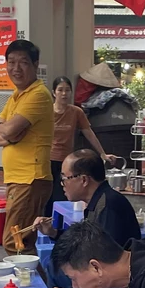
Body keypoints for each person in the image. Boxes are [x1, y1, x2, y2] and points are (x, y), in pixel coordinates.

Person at [33, 149, 140, 288]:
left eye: (65, 178)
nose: (62, 184)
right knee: (54, 263)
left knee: (55, 268)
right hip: (101, 277)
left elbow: (105, 263)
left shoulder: (109, 206)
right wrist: (54, 232)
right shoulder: (99, 200)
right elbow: (85, 244)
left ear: (84, 180)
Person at [0, 40, 54, 254]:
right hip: (19, 179)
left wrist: (6, 131)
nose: (16, 68)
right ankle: (32, 286)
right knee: (20, 241)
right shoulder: (17, 96)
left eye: (23, 62)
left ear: (35, 65)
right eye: (11, 62)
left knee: (15, 242)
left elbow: (5, 131)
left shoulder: (38, 95)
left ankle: (35, 286)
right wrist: (9, 134)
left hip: (30, 178)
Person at [45, 76, 113, 215]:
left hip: (67, 163)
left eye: (67, 90)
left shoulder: (76, 112)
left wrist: (102, 153)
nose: (64, 94)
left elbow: (89, 133)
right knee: (47, 199)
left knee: (63, 199)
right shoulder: (47, 112)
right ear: (54, 93)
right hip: (47, 161)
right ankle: (47, 230)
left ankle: (62, 230)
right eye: (60, 90)